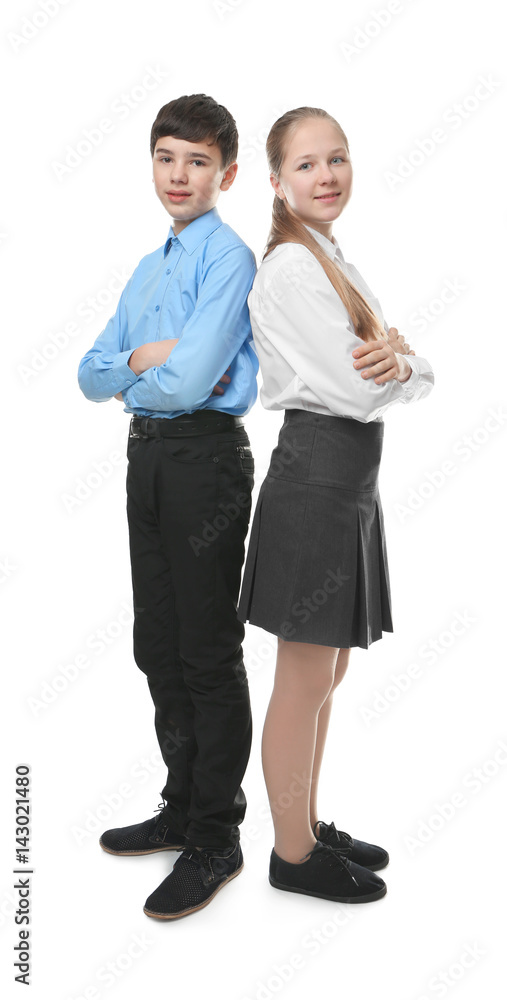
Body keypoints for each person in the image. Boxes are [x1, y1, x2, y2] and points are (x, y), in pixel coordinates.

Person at [237, 106, 435, 904]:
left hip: (347, 482)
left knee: (331, 670)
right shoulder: (290, 268)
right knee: (303, 674)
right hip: (316, 478)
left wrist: (405, 362)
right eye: (308, 165)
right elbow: (364, 385)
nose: (326, 176)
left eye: (337, 159)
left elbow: (401, 367)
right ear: (278, 182)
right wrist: (405, 364)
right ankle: (291, 855)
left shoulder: (330, 254)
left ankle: (306, 825)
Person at [78, 94, 259, 920]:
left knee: (205, 649)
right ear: (151, 163)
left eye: (196, 162)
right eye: (165, 158)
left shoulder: (229, 259)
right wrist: (145, 359)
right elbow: (87, 373)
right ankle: (180, 806)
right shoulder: (150, 268)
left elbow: (191, 383)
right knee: (157, 642)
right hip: (145, 459)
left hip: (202, 463)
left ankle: (216, 836)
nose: (178, 175)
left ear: (224, 173)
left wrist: (140, 365)